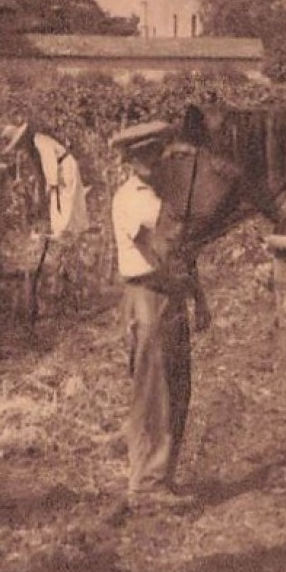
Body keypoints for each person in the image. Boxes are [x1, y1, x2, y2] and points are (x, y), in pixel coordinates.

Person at [109, 121, 209, 515]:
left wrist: (198, 298)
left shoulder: (168, 196)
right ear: (131, 160)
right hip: (149, 295)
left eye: (157, 153)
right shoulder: (131, 198)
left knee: (178, 386)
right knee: (152, 391)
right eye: (144, 156)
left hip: (172, 295)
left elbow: (185, 253)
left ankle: (163, 476)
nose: (152, 162)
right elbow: (160, 250)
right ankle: (146, 486)